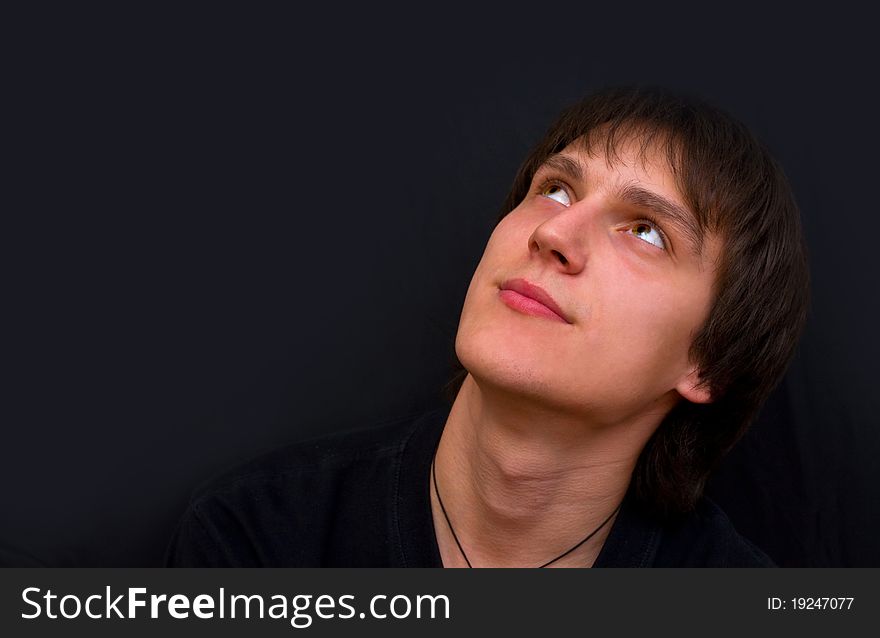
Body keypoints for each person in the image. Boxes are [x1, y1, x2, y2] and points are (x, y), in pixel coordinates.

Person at [165, 86, 810, 567]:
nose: (554, 232)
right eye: (555, 188)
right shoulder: (257, 540)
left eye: (645, 231)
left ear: (709, 362)